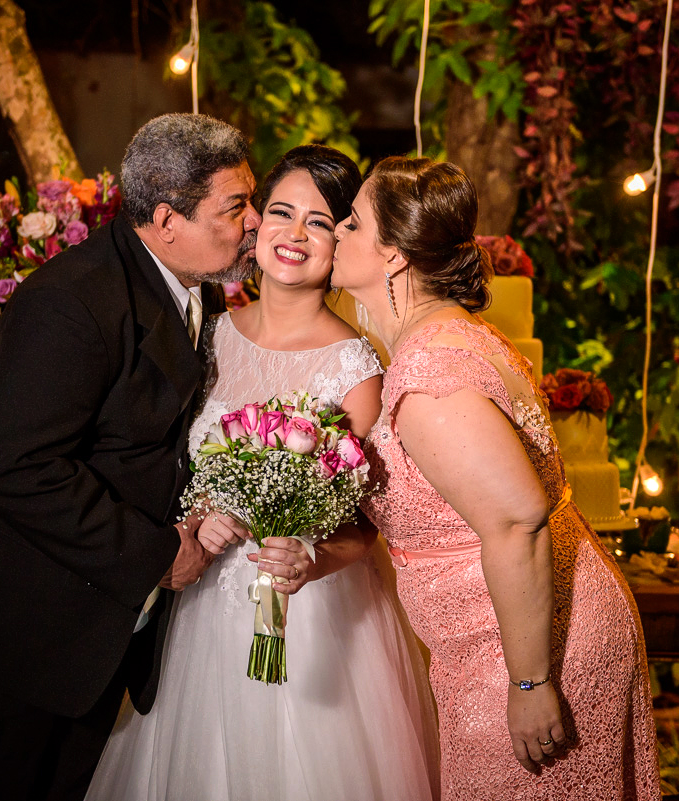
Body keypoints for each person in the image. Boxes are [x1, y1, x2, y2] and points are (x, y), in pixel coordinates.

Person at [0, 113, 262, 801]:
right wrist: (154, 555)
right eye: (236, 207)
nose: (255, 221)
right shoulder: (72, 301)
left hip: (71, 621)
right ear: (168, 219)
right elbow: (14, 466)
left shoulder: (190, 285)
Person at [86, 145, 439, 801]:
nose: (295, 234)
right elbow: (157, 466)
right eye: (281, 212)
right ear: (254, 221)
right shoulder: (203, 340)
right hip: (194, 613)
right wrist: (192, 521)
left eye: (320, 222)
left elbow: (367, 529)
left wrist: (310, 557)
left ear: (342, 243)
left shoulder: (358, 372)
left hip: (314, 624)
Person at [331, 156, 661, 800]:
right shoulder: (448, 335)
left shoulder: (430, 378)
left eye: (354, 221)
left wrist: (530, 682)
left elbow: (517, 520)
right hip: (502, 640)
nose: (337, 231)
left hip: (532, 650)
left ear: (394, 254)